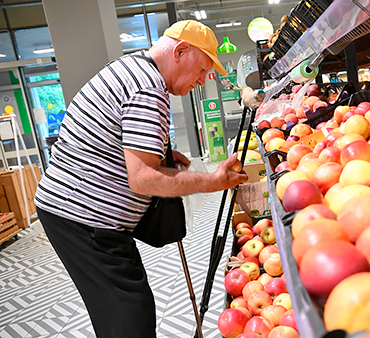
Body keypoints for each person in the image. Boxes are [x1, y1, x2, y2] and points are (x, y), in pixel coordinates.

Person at [34, 20, 248, 338]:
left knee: (125, 307)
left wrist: (160, 156)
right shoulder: (149, 88)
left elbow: (120, 146)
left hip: (78, 212)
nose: (203, 81)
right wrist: (211, 181)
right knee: (129, 315)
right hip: (84, 216)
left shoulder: (133, 66)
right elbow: (143, 180)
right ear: (181, 51)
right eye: (202, 69)